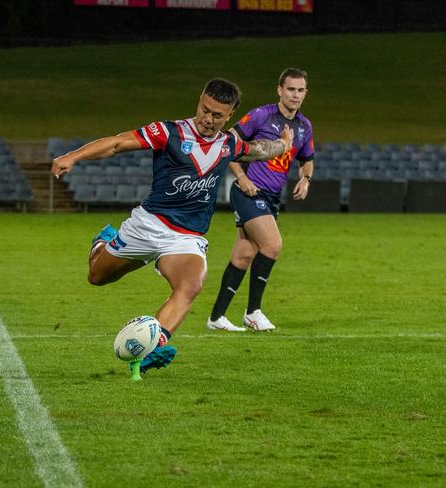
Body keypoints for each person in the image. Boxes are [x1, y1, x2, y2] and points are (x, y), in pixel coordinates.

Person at [52, 78, 293, 373]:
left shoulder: (228, 144)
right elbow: (116, 143)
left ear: (229, 115)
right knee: (97, 277)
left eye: (217, 115)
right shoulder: (168, 132)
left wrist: (283, 145)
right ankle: (103, 242)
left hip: (185, 238)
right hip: (148, 225)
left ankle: (155, 348)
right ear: (200, 101)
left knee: (190, 285)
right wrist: (73, 156)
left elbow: (258, 150)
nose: (208, 118)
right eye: (205, 109)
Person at [207, 68, 315, 333]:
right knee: (272, 244)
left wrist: (305, 179)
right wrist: (241, 178)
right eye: (291, 89)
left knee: (244, 254)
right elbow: (228, 143)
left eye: (300, 90)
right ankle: (253, 312)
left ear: (305, 94)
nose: (295, 95)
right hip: (248, 192)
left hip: (271, 198)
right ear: (280, 90)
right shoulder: (261, 116)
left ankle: (217, 317)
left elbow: (307, 160)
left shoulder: (304, 126)